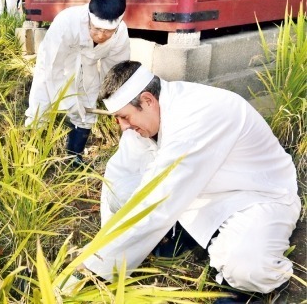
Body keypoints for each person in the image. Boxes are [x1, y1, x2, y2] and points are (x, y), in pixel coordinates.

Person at [64, 60, 301, 302]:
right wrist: (104, 248)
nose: (123, 127)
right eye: (117, 119)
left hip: (255, 196)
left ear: (147, 100)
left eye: (124, 117)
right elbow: (118, 177)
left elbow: (156, 199)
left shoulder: (196, 114)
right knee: (122, 191)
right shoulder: (145, 119)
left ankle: (250, 289)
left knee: (247, 267)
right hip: (198, 193)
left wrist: (91, 270)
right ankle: (182, 235)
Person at [25, 0, 130, 167]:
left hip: (87, 66)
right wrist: (68, 102)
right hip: (56, 63)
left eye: (107, 32)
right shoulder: (67, 21)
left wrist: (115, 100)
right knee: (41, 105)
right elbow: (53, 69)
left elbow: (114, 72)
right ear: (89, 17)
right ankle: (33, 160)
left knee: (87, 105)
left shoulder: (120, 34)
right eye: (96, 29)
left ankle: (74, 159)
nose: (100, 35)